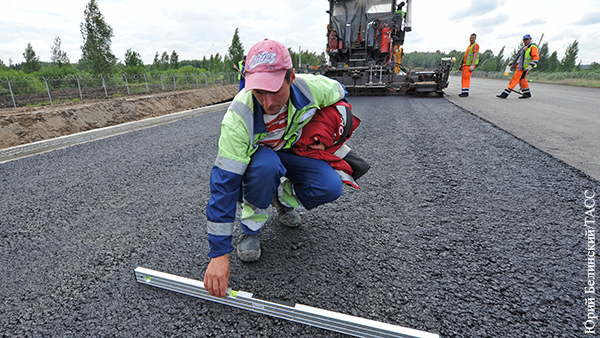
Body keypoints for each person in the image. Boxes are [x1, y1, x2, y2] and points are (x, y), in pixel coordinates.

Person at [203, 39, 353, 298]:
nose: (268, 102)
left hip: (293, 150)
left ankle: (280, 198)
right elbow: (224, 186)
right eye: (259, 92)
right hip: (261, 161)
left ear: (291, 78)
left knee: (330, 186)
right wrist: (218, 254)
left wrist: (329, 132)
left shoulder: (311, 88)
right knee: (266, 166)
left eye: (274, 91)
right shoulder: (238, 117)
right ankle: (251, 231)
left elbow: (341, 96)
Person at [497, 34, 539, 99]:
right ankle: (526, 93)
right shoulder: (524, 48)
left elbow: (536, 57)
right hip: (519, 66)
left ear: (530, 39)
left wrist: (531, 65)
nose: (526, 41)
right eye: (524, 40)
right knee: (522, 80)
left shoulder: (532, 47)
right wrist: (513, 62)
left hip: (524, 67)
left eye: (527, 39)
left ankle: (504, 94)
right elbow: (520, 58)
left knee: (515, 79)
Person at [458, 33, 479, 97]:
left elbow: (475, 55)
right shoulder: (469, 46)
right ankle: (464, 91)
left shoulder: (475, 45)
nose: (471, 39)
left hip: (469, 65)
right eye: (471, 38)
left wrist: (472, 65)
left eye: (473, 38)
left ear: (475, 38)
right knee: (464, 78)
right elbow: (465, 56)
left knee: (466, 78)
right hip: (466, 65)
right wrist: (461, 64)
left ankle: (465, 93)